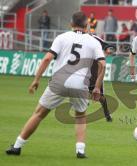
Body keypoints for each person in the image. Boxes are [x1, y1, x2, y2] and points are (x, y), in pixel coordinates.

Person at [5, 11, 106, 158]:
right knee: (80, 116)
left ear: (71, 24)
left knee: (39, 113)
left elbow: (47, 59)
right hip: (79, 84)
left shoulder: (62, 37)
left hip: (59, 81)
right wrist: (97, 87)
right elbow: (102, 64)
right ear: (87, 25)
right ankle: (80, 150)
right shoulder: (93, 42)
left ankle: (17, 146)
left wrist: (36, 80)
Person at [90, 34, 115, 122]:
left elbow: (107, 45)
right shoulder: (75, 37)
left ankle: (107, 114)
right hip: (81, 69)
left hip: (95, 68)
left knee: (100, 96)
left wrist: (107, 50)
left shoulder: (94, 38)